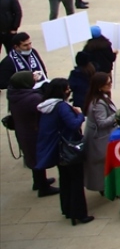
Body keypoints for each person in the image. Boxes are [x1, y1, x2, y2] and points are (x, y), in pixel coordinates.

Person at [36, 77, 91, 225]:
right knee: (76, 181)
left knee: (65, 180)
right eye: (67, 89)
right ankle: (79, 213)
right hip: (69, 148)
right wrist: (79, 114)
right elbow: (73, 124)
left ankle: (67, 209)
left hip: (58, 149)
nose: (69, 91)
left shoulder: (46, 106)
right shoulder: (61, 107)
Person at [6, 70, 55, 196]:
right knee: (38, 157)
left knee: (32, 157)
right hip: (33, 131)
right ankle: (43, 188)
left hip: (23, 130)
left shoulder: (14, 94)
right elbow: (44, 107)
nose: (34, 78)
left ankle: (38, 181)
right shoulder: (31, 98)